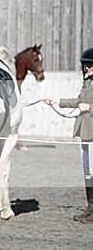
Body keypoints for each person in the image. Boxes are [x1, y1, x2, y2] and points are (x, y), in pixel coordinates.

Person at [44, 48, 93, 223]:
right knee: (87, 172)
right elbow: (78, 101)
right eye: (86, 64)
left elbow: (85, 105)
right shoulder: (87, 83)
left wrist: (89, 108)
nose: (87, 67)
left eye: (90, 64)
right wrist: (56, 101)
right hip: (85, 131)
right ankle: (90, 208)